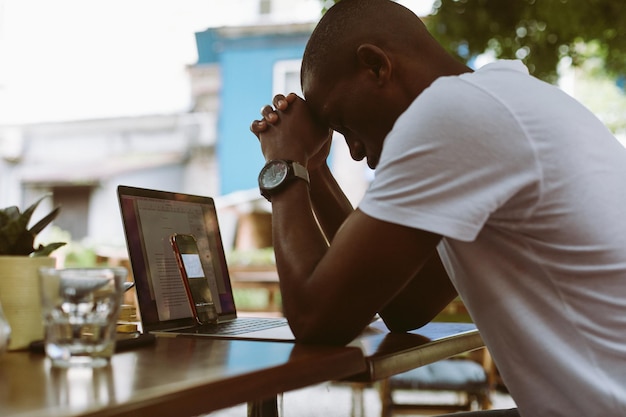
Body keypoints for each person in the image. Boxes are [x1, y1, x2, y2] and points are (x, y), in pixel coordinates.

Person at [249, 0, 626, 416]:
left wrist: (283, 167)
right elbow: (406, 305)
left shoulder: (452, 116)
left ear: (375, 65)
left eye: (343, 124)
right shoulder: (502, 100)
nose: (355, 152)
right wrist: (313, 171)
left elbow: (314, 318)